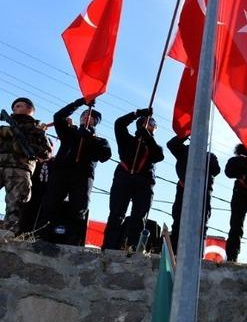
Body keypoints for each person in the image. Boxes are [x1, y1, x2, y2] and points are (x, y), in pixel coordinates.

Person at [41, 98, 111, 245]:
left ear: (95, 122)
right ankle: (43, 237)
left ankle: (73, 242)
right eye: (84, 114)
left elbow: (105, 156)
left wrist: (89, 139)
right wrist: (80, 102)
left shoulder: (100, 140)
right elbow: (57, 117)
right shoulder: (69, 132)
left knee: (78, 208)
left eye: (91, 116)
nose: (86, 116)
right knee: (51, 204)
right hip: (61, 172)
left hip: (83, 175)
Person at [102, 108, 164, 251]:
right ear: (142, 124)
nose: (154, 126)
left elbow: (159, 156)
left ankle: (133, 247)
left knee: (139, 216)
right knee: (117, 214)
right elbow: (119, 124)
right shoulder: (127, 140)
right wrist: (136, 114)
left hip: (144, 182)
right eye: (151, 123)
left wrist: (147, 137)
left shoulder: (153, 147)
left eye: (154, 125)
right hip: (123, 178)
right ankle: (109, 247)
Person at [0, 97, 52, 235]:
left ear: (30, 109)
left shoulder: (37, 129)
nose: (15, 109)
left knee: (15, 205)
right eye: (14, 107)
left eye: (19, 105)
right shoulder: (5, 127)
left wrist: (36, 135)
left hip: (20, 169)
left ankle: (8, 236)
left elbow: (45, 153)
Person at [166, 134, 220, 254]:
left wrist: (202, 155)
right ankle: (174, 253)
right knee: (178, 222)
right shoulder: (184, 150)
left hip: (202, 194)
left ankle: (197, 255)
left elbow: (216, 170)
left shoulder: (210, 156)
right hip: (183, 190)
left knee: (200, 226)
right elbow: (171, 144)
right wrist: (185, 134)